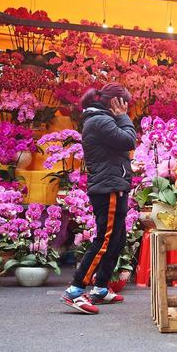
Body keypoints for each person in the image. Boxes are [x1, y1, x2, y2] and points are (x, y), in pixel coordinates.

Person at [60, 83, 136, 315]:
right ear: (117, 103)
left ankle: (100, 288)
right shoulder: (100, 121)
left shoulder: (101, 120)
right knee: (105, 240)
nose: (127, 108)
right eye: (125, 104)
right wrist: (124, 118)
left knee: (117, 240)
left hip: (113, 185)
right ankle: (75, 290)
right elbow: (128, 141)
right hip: (108, 188)